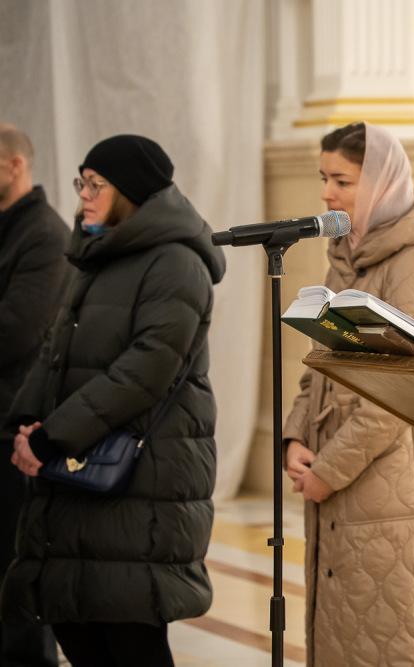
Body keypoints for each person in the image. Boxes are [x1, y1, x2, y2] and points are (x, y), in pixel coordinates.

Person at [2, 134, 225, 667]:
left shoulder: (176, 262)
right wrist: (28, 423)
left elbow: (145, 369)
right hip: (79, 462)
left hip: (142, 472)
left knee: (128, 633)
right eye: (81, 182)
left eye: (95, 184)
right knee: (78, 624)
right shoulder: (97, 254)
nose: (83, 195)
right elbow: (55, 349)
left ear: (131, 190)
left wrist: (55, 436)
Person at [282, 122, 414, 666]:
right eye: (324, 179)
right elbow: (318, 366)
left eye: (342, 181)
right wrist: (295, 438)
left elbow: (403, 392)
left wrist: (329, 469)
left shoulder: (413, 266)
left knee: (392, 644)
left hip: (388, 491)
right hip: (339, 482)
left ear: (381, 183)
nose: (327, 194)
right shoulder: (343, 260)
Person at [0, 124, 64, 667]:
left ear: (15, 165)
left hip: (12, 426)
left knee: (15, 571)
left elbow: (14, 332)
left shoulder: (43, 234)